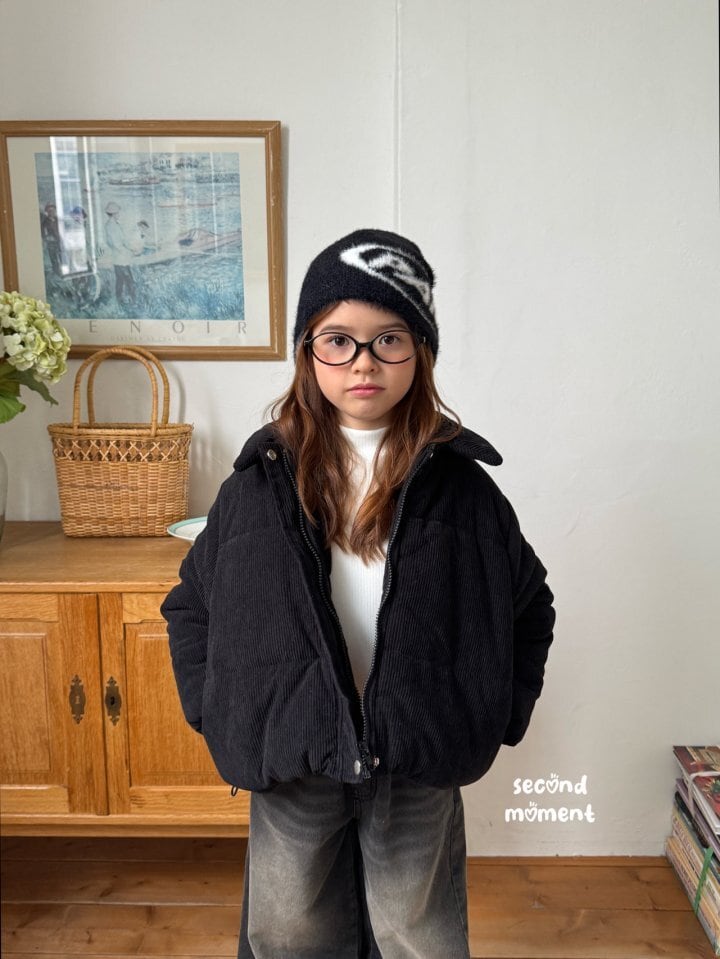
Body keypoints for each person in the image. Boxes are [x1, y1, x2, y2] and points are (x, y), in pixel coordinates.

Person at [161, 228, 556, 959]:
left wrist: (497, 712)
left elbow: (529, 605)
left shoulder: (464, 491)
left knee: (418, 933)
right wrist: (218, 712)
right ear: (308, 351)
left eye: (389, 339)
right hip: (294, 750)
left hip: (418, 753)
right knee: (288, 930)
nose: (364, 361)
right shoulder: (258, 484)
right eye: (338, 340)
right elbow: (192, 606)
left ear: (421, 351)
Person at [104, 201, 137, 306]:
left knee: (120, 281)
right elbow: (116, 244)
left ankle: (120, 302)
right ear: (113, 214)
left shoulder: (113, 225)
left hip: (118, 259)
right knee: (129, 281)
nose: (119, 214)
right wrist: (129, 252)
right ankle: (133, 302)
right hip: (121, 259)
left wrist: (131, 248)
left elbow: (122, 241)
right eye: (117, 212)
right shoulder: (111, 226)